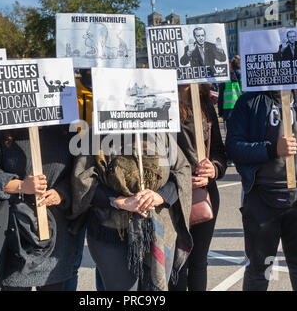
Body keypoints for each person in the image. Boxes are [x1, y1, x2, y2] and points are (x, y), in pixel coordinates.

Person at [226, 87, 297, 291]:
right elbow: (233, 146)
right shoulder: (249, 101)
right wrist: (271, 149)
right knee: (260, 270)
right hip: (261, 201)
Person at [70, 130, 193, 291]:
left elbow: (182, 170)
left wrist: (161, 196)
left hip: (159, 229)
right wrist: (119, 201)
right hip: (111, 233)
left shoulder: (159, 131)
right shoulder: (97, 134)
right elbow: (82, 181)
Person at [0, 125, 76, 291]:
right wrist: (20, 186)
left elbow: (79, 174)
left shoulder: (66, 129)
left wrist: (61, 193)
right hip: (13, 237)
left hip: (56, 238)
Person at [170, 83, 227, 291]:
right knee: (176, 263)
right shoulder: (159, 101)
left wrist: (214, 169)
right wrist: (177, 179)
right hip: (170, 196)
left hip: (203, 194)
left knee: (198, 261)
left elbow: (220, 152)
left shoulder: (204, 102)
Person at [64, 69, 105, 291]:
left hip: (107, 184)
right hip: (72, 184)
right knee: (70, 261)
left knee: (106, 262)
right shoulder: (69, 88)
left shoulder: (115, 85)